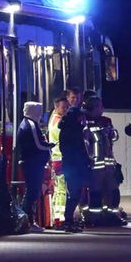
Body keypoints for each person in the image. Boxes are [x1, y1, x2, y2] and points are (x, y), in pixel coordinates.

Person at [83, 96, 126, 226]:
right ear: (94, 107)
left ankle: (111, 216)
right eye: (100, 106)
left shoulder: (106, 121)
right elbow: (85, 141)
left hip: (108, 164)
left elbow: (114, 137)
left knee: (112, 191)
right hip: (95, 164)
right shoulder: (85, 121)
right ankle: (94, 219)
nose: (102, 108)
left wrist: (111, 133)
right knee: (95, 192)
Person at [16, 102, 55, 233]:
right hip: (32, 163)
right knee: (32, 192)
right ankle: (28, 221)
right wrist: (49, 146)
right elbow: (38, 144)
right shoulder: (31, 125)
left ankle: (25, 220)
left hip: (31, 162)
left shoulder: (26, 123)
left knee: (31, 192)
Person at [58, 101, 93, 233]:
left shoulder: (68, 128)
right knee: (74, 193)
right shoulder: (73, 131)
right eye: (81, 116)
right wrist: (86, 161)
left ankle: (69, 220)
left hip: (71, 166)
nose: (83, 119)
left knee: (74, 193)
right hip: (74, 167)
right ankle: (68, 221)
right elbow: (78, 150)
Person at [48, 96, 70, 227]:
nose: (66, 109)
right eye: (63, 107)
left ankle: (57, 216)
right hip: (60, 158)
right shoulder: (59, 122)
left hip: (56, 158)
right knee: (61, 189)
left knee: (58, 188)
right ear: (57, 108)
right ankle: (60, 218)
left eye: (67, 107)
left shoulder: (53, 118)